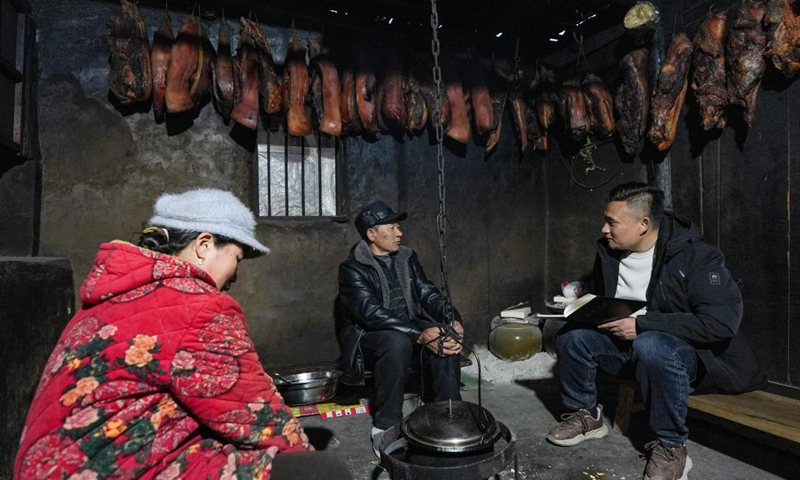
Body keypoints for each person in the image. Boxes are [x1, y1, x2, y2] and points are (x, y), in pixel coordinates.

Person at [14, 188, 352, 480]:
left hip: (49, 466)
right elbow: (260, 418)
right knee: (320, 471)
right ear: (204, 245)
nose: (235, 275)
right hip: (115, 469)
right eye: (236, 257)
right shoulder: (200, 306)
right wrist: (304, 456)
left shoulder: (107, 296)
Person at [547, 182, 766, 480]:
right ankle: (586, 415)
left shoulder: (696, 257)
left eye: (612, 222)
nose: (603, 229)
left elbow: (720, 323)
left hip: (688, 356)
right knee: (571, 336)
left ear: (643, 224)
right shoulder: (610, 251)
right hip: (628, 344)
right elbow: (613, 298)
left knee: (651, 345)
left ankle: (671, 445)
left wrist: (641, 325)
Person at [337, 200, 464, 456]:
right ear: (372, 234)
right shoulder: (352, 269)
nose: (399, 233)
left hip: (405, 329)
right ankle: (386, 427)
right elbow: (371, 314)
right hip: (368, 336)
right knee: (397, 342)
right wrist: (418, 334)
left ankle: (447, 415)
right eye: (392, 228)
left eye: (399, 227)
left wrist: (452, 319)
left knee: (443, 337)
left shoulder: (406, 257)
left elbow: (428, 293)